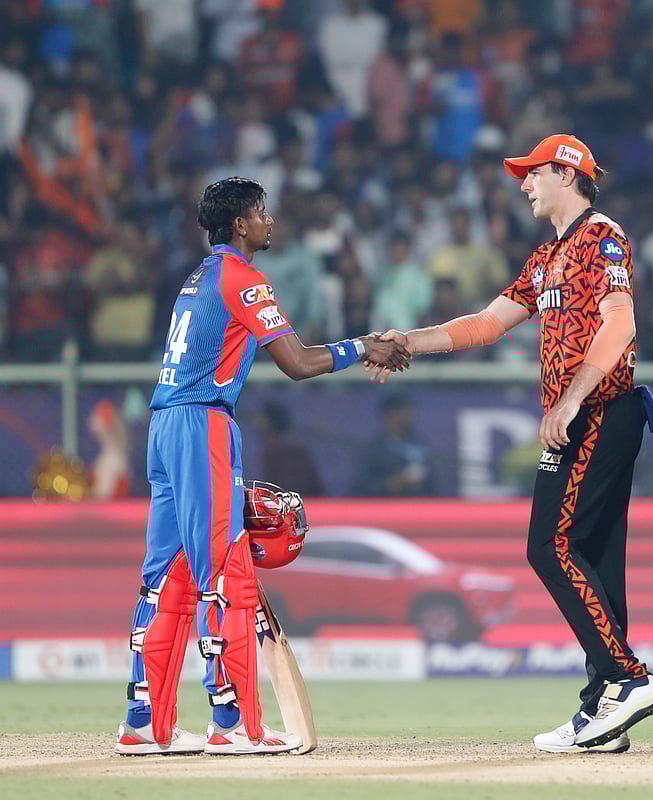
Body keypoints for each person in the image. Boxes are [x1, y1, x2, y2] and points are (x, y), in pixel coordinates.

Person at [372, 135, 653, 754]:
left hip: (601, 412)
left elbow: (622, 323)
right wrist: (408, 342)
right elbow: (486, 323)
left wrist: (570, 397)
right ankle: (602, 707)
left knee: (549, 546)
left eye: (532, 174)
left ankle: (627, 678)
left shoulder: (601, 236)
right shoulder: (548, 255)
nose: (524, 185)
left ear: (567, 172)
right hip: (585, 415)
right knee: (593, 555)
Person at [115, 177, 409, 756]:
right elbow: (296, 362)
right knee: (225, 573)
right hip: (203, 426)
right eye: (262, 212)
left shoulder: (196, 278)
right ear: (241, 224)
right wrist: (364, 346)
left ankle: (143, 722)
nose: (270, 221)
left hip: (163, 425)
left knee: (164, 577)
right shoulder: (242, 278)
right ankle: (234, 725)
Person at [355, 393, 434, 496]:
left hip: (417, 507)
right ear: (389, 415)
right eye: (402, 411)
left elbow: (433, 485)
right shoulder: (373, 449)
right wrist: (394, 483)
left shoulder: (420, 443)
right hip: (384, 507)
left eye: (409, 409)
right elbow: (361, 488)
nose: (409, 415)